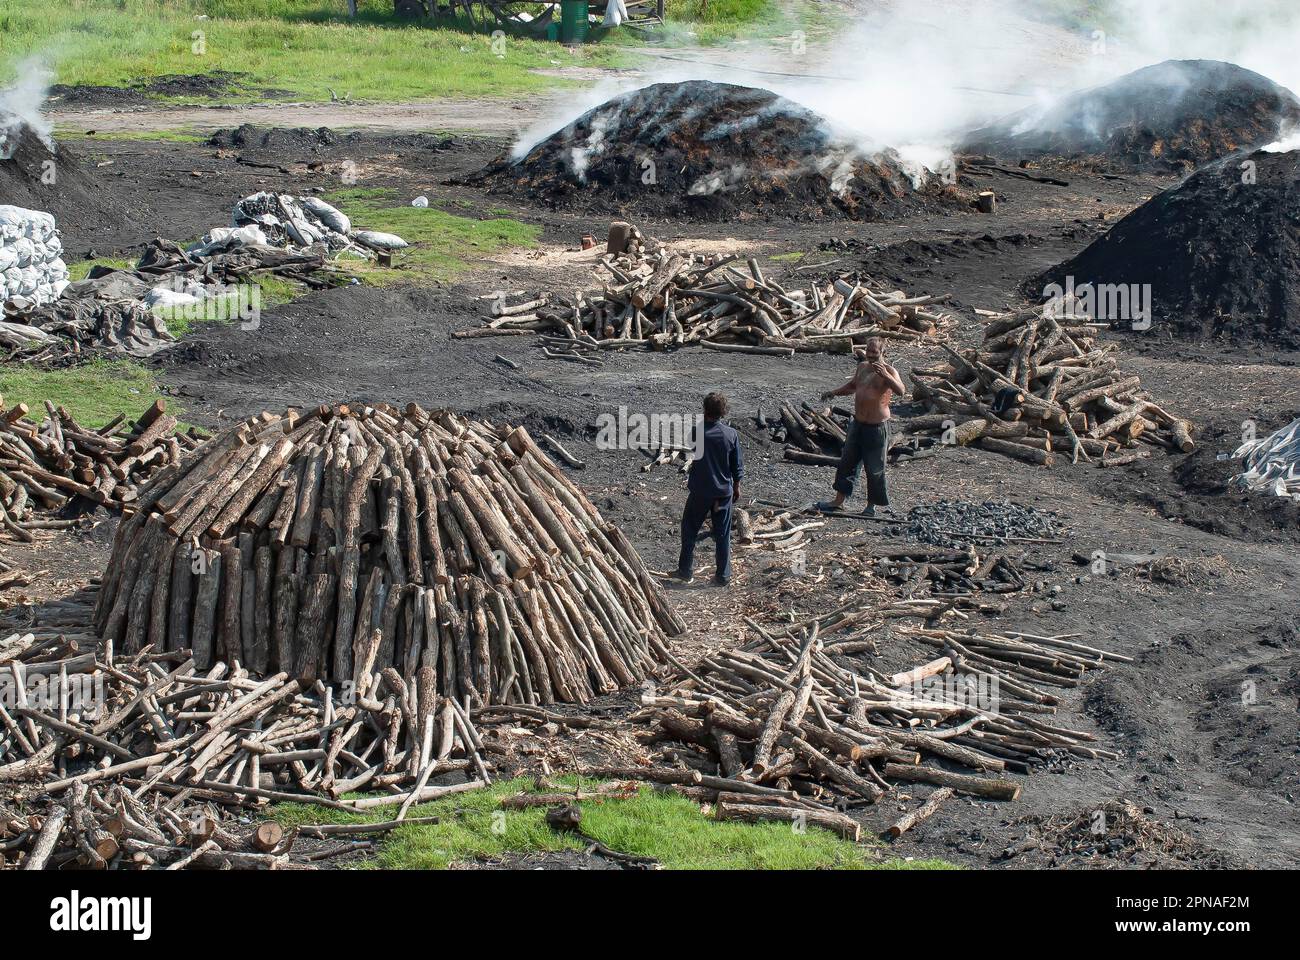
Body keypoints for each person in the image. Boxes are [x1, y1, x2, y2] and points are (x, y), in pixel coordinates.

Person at [816, 338, 906, 517]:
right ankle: (838, 501)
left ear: (883, 353)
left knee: (874, 468)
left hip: (877, 427)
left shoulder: (889, 371)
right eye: (869, 351)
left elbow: (901, 391)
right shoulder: (863, 367)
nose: (871, 356)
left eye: (875, 352)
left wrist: (886, 376)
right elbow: (852, 386)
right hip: (857, 425)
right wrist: (833, 393)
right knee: (847, 463)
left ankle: (871, 507)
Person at [675, 392, 743, 586]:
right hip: (723, 492)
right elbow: (736, 465)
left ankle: (685, 571)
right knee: (723, 534)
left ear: (705, 410)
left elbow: (691, 452)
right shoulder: (731, 434)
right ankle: (723, 576)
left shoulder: (697, 432)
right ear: (723, 412)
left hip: (701, 491)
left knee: (689, 530)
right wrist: (736, 487)